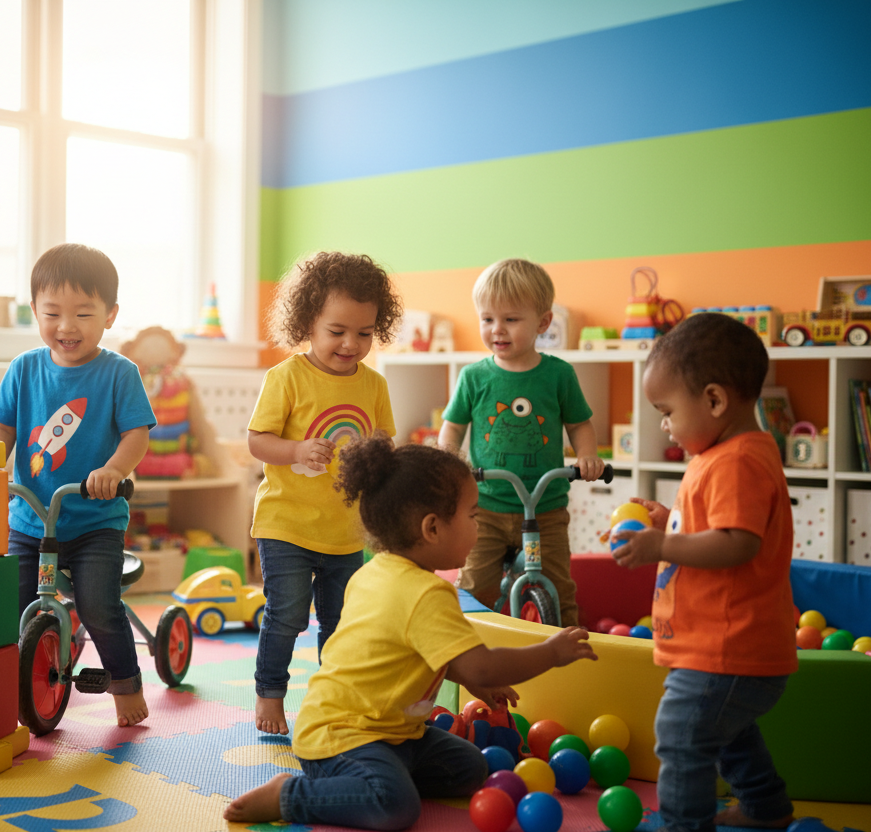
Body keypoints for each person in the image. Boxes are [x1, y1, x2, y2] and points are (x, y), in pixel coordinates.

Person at [225, 433, 597, 830]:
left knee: (470, 768)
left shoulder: (376, 571)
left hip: (394, 732)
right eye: (472, 516)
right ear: (432, 528)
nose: (478, 525)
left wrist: (471, 678)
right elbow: (483, 668)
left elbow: (419, 649)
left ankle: (375, 779)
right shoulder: (427, 594)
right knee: (395, 807)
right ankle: (291, 794)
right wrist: (551, 651)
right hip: (344, 736)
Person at [611, 313, 796, 832]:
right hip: (717, 646)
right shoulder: (723, 454)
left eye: (667, 411)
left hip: (727, 648)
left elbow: (737, 543)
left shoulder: (737, 461)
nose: (664, 424)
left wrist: (662, 544)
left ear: (714, 401)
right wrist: (669, 520)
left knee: (681, 735)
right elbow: (715, 525)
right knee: (726, 733)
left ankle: (684, 825)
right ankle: (765, 808)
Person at [0, 243, 155, 728]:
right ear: (34, 312)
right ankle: (9, 683)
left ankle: (124, 683)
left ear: (110, 315)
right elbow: (0, 433)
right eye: (52, 313)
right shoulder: (24, 369)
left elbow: (136, 435)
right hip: (29, 519)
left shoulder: (119, 373)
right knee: (9, 605)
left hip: (94, 520)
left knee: (99, 605)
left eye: (83, 313)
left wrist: (114, 471)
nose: (67, 326)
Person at [247, 251, 402, 735]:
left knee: (340, 625)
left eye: (364, 333)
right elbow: (257, 441)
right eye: (337, 331)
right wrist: (294, 450)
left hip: (344, 531)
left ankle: (333, 701)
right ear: (307, 322)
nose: (350, 344)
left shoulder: (374, 386)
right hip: (287, 525)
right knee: (287, 617)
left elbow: (381, 445)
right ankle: (270, 696)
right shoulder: (287, 378)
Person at [438, 258, 603, 626]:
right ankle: (470, 650)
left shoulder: (559, 375)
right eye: (487, 319)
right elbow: (452, 428)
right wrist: (450, 459)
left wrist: (587, 456)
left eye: (511, 319)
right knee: (474, 587)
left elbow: (580, 425)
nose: (497, 329)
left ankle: (571, 652)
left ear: (543, 322)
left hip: (546, 507)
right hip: (486, 509)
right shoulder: (474, 377)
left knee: (560, 587)